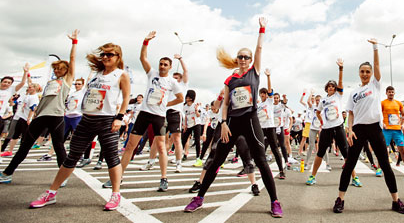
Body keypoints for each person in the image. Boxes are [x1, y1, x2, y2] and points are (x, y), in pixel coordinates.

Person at [183, 17, 282, 217]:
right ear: (237, 59)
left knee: (261, 162)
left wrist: (262, 29)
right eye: (240, 57)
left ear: (251, 59)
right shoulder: (230, 79)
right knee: (216, 160)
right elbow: (226, 104)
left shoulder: (254, 72)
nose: (243, 59)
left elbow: (259, 49)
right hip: (232, 123)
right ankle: (199, 198)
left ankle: (275, 201)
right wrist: (224, 124)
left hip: (251, 120)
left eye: (246, 56)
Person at [29, 40, 130, 210]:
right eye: (103, 54)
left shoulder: (121, 74)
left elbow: (126, 97)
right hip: (87, 119)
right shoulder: (97, 73)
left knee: (111, 157)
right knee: (72, 156)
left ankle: (115, 194)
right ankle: (51, 192)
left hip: (107, 120)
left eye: (109, 54)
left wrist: (119, 117)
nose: (105, 57)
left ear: (118, 57)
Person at [333, 38, 404, 214]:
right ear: (359, 73)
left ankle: (396, 201)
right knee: (349, 165)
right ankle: (340, 199)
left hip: (375, 128)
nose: (365, 74)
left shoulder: (375, 85)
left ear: (371, 73)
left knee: (385, 165)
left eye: (368, 71)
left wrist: (375, 47)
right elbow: (350, 114)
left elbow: (376, 64)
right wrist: (349, 129)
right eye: (362, 71)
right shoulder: (354, 93)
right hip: (358, 130)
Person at [0, 30, 79, 184]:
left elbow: (73, 59)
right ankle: (7, 173)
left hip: (56, 117)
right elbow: (36, 93)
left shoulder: (68, 80)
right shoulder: (50, 83)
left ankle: (62, 178)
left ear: (66, 70)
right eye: (55, 69)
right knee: (25, 146)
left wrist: (74, 43)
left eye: (60, 69)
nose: (57, 71)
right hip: (41, 117)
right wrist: (27, 73)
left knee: (58, 147)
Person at [110, 31, 184, 192]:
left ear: (170, 67)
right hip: (144, 113)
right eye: (161, 63)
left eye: (165, 64)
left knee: (161, 147)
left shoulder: (172, 81)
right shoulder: (152, 74)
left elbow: (180, 98)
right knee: (130, 145)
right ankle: (118, 176)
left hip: (159, 116)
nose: (162, 66)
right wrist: (145, 42)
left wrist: (166, 104)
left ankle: (164, 179)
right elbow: (143, 59)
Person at [306, 58, 362, 187]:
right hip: (326, 129)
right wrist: (321, 122)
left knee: (347, 154)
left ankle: (355, 177)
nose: (331, 87)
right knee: (320, 153)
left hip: (339, 127)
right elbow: (318, 112)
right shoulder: (323, 100)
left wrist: (341, 69)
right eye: (329, 86)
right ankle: (312, 176)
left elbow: (341, 82)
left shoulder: (338, 96)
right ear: (326, 88)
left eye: (333, 86)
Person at [256, 68, 286, 179]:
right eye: (261, 93)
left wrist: (268, 77)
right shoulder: (258, 106)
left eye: (264, 93)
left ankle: (281, 170)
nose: (263, 95)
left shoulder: (269, 101)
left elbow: (269, 90)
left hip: (270, 128)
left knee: (275, 149)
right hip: (261, 129)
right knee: (260, 149)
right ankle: (259, 167)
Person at [381, 86, 404, 178]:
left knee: (402, 150)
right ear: (386, 93)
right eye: (389, 92)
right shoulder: (382, 103)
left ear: (394, 93)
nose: (391, 93)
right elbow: (379, 115)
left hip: (397, 130)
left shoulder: (398, 103)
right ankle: (380, 169)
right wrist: (382, 123)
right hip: (387, 130)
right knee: (384, 150)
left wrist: (403, 123)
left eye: (392, 92)